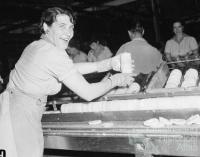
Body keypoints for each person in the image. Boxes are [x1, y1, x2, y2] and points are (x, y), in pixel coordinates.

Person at [0, 7, 134, 157]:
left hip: (13, 107)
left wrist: (106, 64)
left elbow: (69, 68)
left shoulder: (37, 46)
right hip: (22, 115)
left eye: (71, 27)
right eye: (61, 26)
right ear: (46, 27)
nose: (68, 32)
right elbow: (88, 93)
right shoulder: (52, 52)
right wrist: (114, 80)